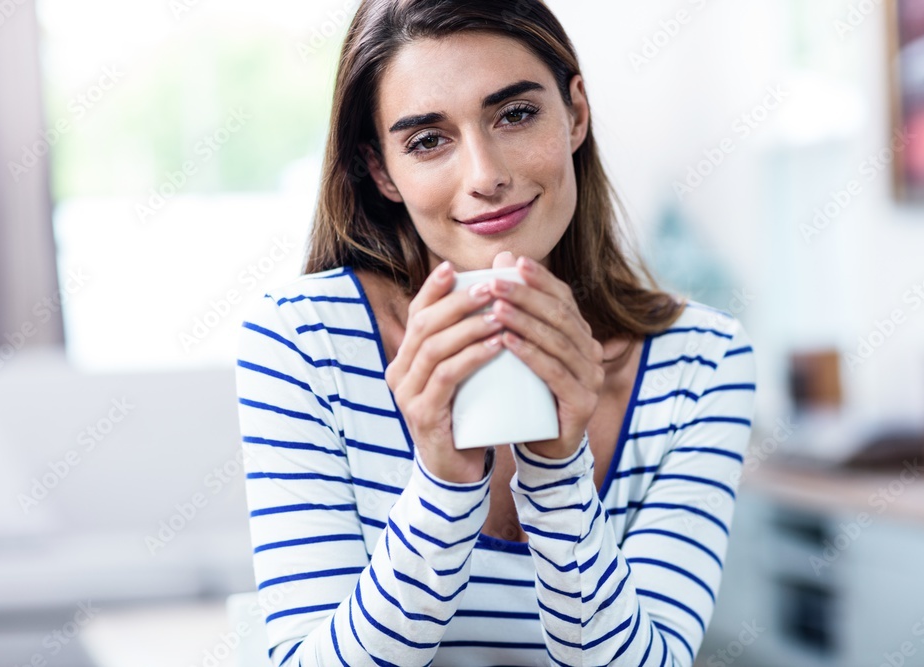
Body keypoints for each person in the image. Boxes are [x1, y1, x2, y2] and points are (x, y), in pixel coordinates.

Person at [234, 1, 757, 665]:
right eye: (428, 140)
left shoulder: (702, 363)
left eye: (515, 114)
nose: (486, 176)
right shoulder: (302, 340)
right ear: (381, 171)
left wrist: (558, 475)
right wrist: (443, 485)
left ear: (575, 113)